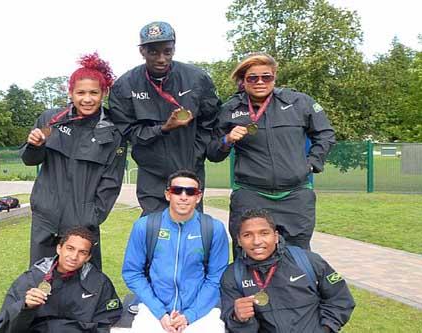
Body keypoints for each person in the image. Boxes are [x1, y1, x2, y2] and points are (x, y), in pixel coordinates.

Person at [207, 52, 336, 252]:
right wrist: (228, 139)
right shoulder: (230, 109)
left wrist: (311, 163)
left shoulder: (299, 102)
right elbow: (214, 153)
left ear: (274, 77)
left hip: (295, 195)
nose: (260, 82)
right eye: (252, 78)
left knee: (297, 259)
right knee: (249, 254)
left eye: (266, 77)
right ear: (243, 80)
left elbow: (325, 134)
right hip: (251, 195)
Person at [21, 52, 127, 269]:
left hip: (83, 225)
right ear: (70, 93)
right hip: (46, 220)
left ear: (103, 93)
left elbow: (111, 182)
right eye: (80, 92)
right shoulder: (51, 119)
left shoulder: (113, 133)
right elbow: (30, 160)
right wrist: (34, 145)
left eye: (93, 93)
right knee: (40, 280)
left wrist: (90, 218)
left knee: (85, 286)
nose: (87, 99)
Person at [109, 21, 221, 215]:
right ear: (142, 51)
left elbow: (210, 121)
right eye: (153, 52)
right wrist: (163, 128)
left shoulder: (197, 79)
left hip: (190, 172)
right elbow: (127, 131)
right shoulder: (124, 86)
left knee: (191, 233)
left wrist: (196, 154)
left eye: (167, 51)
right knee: (154, 233)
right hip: (151, 176)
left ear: (174, 49)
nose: (161, 58)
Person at [122, 170, 229, 333]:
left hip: (200, 311)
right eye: (177, 190)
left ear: (198, 197)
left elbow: (216, 277)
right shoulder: (145, 226)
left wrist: (189, 315)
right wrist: (160, 313)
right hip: (154, 310)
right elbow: (132, 273)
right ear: (167, 194)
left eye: (190, 192)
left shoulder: (214, 228)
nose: (184, 196)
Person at [220, 209, 355, 333]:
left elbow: (340, 299)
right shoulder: (232, 275)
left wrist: (326, 329)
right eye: (247, 235)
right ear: (239, 240)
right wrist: (238, 319)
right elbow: (235, 326)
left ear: (276, 236)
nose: (256, 241)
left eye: (264, 233)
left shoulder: (308, 261)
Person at [0, 226, 122, 333]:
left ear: (88, 257)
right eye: (70, 249)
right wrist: (25, 307)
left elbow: (108, 320)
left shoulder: (99, 283)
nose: (74, 256)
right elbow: (3, 327)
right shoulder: (31, 279)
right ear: (59, 248)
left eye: (82, 252)